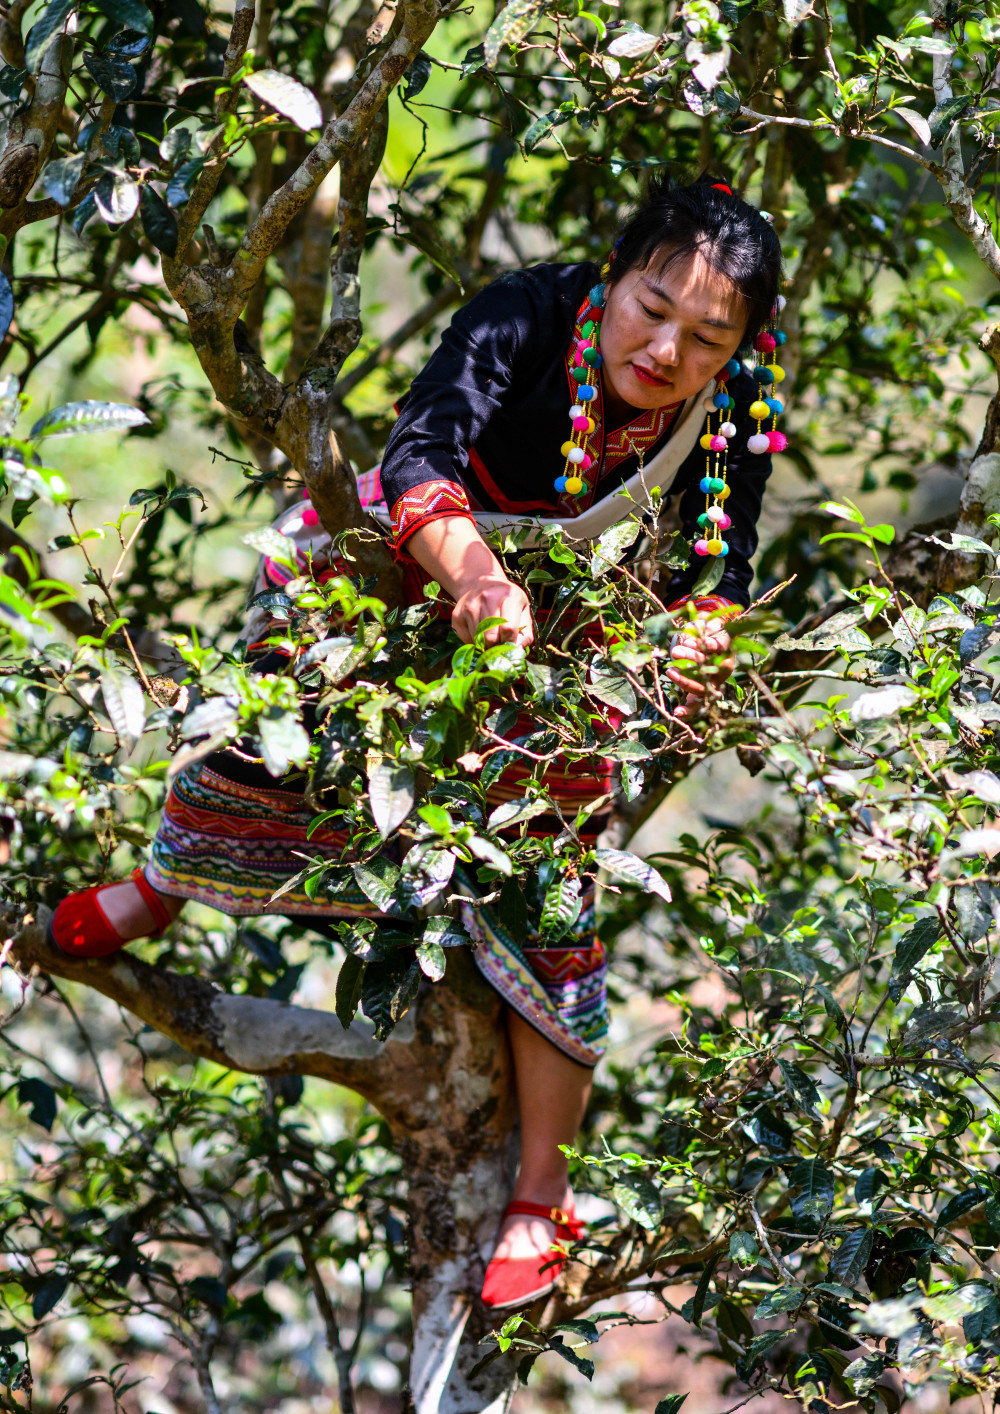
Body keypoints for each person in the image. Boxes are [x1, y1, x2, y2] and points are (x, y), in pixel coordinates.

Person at [48, 174, 783, 1310]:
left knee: (553, 875)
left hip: (567, 625)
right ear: (611, 272)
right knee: (283, 718)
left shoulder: (734, 401)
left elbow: (718, 572)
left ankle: (543, 1196)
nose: (667, 348)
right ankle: (161, 884)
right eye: (651, 306)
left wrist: (692, 644)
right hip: (418, 563)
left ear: (743, 343)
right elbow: (418, 454)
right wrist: (476, 581)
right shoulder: (523, 313)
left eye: (705, 336)